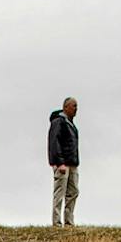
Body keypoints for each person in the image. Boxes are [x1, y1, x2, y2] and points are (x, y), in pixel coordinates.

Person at [47, 97, 79, 227]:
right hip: (63, 164)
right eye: (74, 106)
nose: (76, 109)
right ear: (66, 107)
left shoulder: (70, 124)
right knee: (60, 192)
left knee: (73, 192)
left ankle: (69, 221)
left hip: (72, 164)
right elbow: (54, 143)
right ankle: (56, 222)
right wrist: (60, 162)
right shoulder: (59, 122)